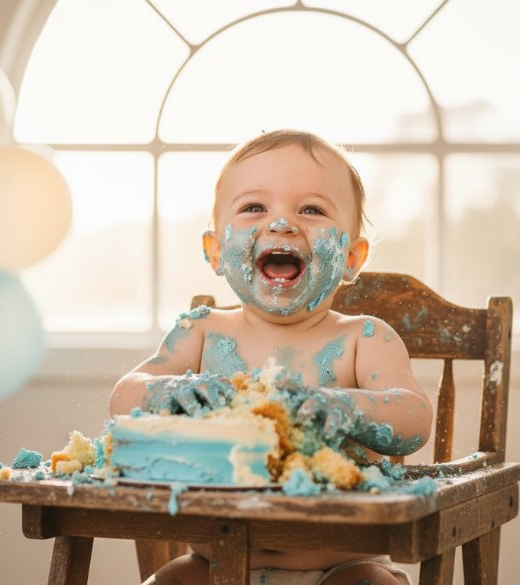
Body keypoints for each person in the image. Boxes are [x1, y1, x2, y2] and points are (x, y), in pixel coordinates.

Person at [110, 129, 432, 585]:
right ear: (216, 251)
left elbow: (415, 417)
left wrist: (344, 407)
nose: (281, 224)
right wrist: (171, 391)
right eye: (254, 208)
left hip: (342, 568)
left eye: (312, 210)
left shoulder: (363, 339)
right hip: (214, 568)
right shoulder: (201, 330)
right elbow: (124, 397)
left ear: (351, 258)